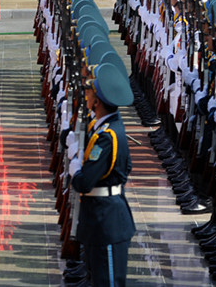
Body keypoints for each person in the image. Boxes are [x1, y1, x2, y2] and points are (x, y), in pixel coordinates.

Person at [68, 62, 136, 287]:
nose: (85, 95)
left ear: (97, 101)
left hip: (107, 221)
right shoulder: (106, 128)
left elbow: (85, 182)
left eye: (89, 92)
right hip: (100, 216)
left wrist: (76, 169)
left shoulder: (107, 136)